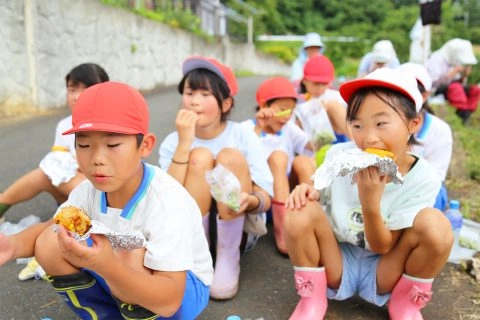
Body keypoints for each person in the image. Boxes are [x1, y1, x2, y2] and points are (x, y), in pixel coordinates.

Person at [0, 81, 213, 320]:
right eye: (84, 145)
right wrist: (13, 245)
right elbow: (53, 225)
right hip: (122, 270)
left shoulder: (166, 200)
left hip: (180, 290)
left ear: (145, 146)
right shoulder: (87, 191)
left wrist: (107, 266)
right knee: (51, 241)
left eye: (112, 145)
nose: (97, 159)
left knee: (129, 253)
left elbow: (169, 301)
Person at [284, 68, 453, 320]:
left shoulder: (424, 177)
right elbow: (316, 188)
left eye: (381, 123)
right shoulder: (338, 156)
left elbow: (383, 246)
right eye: (357, 125)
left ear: (413, 123)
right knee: (299, 210)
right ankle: (311, 300)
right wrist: (306, 190)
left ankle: (405, 304)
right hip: (338, 260)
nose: (369, 138)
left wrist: (370, 202)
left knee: (437, 225)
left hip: (386, 268)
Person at [158, 56, 273, 300]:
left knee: (229, 156)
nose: (194, 102)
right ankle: (196, 256)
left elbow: (265, 197)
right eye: (189, 93)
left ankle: (228, 258)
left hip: (236, 229)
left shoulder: (242, 134)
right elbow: (166, 199)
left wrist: (250, 200)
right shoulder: (173, 141)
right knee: (198, 156)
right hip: (188, 232)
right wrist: (184, 144)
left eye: (204, 94)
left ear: (225, 103)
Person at [0, 63, 109, 282]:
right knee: (45, 172)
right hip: (72, 191)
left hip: (100, 197)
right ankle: (3, 203)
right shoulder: (64, 125)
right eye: (72, 89)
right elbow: (56, 163)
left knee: (57, 171)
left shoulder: (111, 125)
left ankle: (53, 240)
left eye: (85, 89)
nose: (77, 96)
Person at [241, 77, 315, 254]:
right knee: (279, 157)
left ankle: (310, 223)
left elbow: (313, 146)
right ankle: (283, 233)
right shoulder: (246, 129)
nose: (287, 116)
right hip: (260, 198)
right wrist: (259, 128)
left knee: (303, 161)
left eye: (291, 111)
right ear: (264, 105)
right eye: (283, 110)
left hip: (288, 199)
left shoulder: (289, 128)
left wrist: (316, 120)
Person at [397, 62, 453, 211]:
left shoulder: (439, 130)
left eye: (412, 91)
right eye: (400, 90)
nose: (405, 97)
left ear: (425, 96)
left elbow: (434, 178)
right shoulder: (380, 122)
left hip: (421, 188)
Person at [292, 55, 349, 162]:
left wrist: (327, 109)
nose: (320, 88)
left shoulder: (335, 96)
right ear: (304, 80)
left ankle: (358, 146)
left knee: (333, 106)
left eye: (324, 84)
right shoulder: (297, 102)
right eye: (316, 84)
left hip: (339, 143)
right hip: (313, 149)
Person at [425, 38, 479, 125]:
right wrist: (452, 73)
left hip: (451, 89)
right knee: (456, 88)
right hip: (437, 90)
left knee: (475, 89)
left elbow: (460, 82)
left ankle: (468, 112)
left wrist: (464, 75)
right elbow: (433, 83)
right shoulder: (436, 60)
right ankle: (463, 112)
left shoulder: (454, 62)